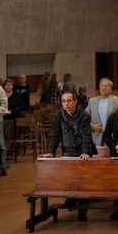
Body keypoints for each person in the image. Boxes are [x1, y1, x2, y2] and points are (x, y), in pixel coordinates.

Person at [40, 91, 95, 220]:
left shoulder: (84, 115)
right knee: (68, 178)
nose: (66, 103)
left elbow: (87, 135)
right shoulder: (59, 116)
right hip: (68, 151)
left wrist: (86, 152)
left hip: (82, 151)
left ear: (75, 102)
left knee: (82, 180)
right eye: (63, 101)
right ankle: (71, 199)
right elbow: (56, 135)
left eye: (69, 100)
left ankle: (82, 208)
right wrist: (51, 151)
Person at [86, 78, 116, 146]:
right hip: (95, 137)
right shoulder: (92, 101)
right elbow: (84, 118)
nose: (103, 88)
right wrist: (92, 126)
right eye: (101, 85)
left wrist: (109, 128)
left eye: (106, 86)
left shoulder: (116, 101)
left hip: (112, 137)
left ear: (111, 88)